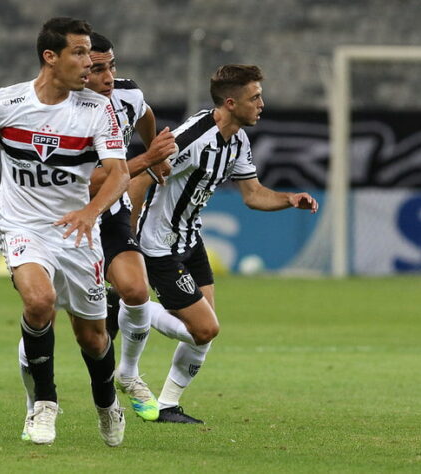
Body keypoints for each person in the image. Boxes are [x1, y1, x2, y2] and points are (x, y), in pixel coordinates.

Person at [0, 17, 130, 447]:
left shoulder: (96, 109)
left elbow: (119, 173)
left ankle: (106, 402)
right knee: (39, 300)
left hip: (76, 232)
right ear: (50, 57)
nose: (90, 63)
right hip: (22, 224)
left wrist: (90, 212)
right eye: (80, 53)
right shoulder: (4, 102)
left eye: (90, 53)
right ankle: (44, 405)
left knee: (93, 336)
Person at [132, 64, 319, 423]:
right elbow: (140, 176)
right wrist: (129, 238)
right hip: (158, 244)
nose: (261, 103)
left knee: (205, 330)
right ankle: (129, 308)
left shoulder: (238, 141)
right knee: (205, 329)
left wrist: (289, 198)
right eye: (255, 97)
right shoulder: (191, 138)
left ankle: (167, 406)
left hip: (191, 238)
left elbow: (253, 195)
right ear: (231, 103)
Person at [17, 32, 175, 424]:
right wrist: (146, 160)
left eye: (111, 66)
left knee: (136, 291)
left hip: (110, 214)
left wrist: (150, 145)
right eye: (98, 68)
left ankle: (129, 373)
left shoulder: (128, 96)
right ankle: (35, 402)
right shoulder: (62, 111)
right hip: (64, 220)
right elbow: (86, 183)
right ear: (80, 71)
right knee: (43, 313)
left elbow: (145, 116)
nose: (107, 76)